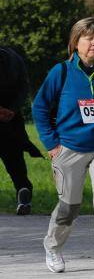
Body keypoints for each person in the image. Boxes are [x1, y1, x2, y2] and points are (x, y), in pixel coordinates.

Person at [32, 18, 94, 276]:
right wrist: (51, 144)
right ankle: (53, 246)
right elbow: (39, 107)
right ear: (75, 42)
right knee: (69, 205)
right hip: (69, 147)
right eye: (88, 38)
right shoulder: (60, 72)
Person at [0, 46, 43, 215]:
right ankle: (23, 191)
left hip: (8, 115)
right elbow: (24, 87)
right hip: (11, 119)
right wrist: (12, 109)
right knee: (15, 161)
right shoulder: (13, 57)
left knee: (14, 159)